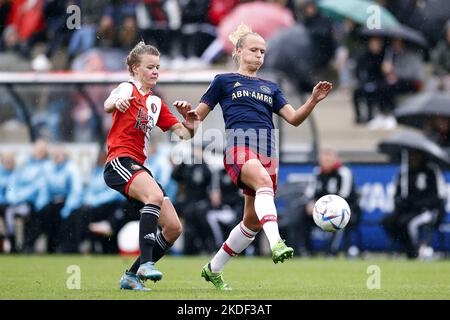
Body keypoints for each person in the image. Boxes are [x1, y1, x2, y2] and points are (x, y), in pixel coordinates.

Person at [176, 24, 333, 290]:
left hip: (268, 150)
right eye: (253, 50)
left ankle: (213, 269)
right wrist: (188, 119)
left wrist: (313, 100)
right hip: (239, 146)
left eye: (262, 51)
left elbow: (294, 119)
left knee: (251, 221)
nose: (259, 55)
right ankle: (277, 243)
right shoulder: (223, 81)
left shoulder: (270, 87)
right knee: (262, 183)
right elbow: (192, 125)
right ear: (238, 52)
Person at [103, 41, 198, 291]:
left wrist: (192, 123)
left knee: (173, 228)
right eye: (150, 67)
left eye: (158, 67)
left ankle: (131, 277)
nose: (155, 71)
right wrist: (117, 104)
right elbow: (108, 104)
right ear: (135, 69)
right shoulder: (126, 88)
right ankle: (146, 263)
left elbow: (184, 134)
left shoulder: (155, 102)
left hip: (139, 167)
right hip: (119, 162)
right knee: (154, 195)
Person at [382, 150, 447, 259]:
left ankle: (416, 251)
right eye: (411, 155)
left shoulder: (431, 171)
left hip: (427, 210)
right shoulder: (404, 173)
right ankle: (406, 247)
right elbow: (397, 195)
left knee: (410, 224)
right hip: (409, 211)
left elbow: (439, 196)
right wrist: (402, 201)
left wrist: (419, 203)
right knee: (388, 222)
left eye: (416, 155)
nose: (413, 158)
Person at [302, 148, 361, 257]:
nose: (325, 162)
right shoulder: (317, 172)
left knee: (339, 217)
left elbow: (345, 195)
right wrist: (310, 204)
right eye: (323, 159)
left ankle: (331, 252)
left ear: (335, 159)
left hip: (344, 208)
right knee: (302, 215)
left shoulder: (344, 172)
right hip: (321, 210)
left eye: (328, 159)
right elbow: (309, 193)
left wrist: (326, 208)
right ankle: (305, 250)